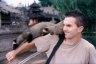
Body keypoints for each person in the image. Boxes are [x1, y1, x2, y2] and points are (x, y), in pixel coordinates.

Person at [6, 10, 96, 64]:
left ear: (80, 29)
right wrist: (15, 52)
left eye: (69, 26)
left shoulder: (89, 49)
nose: (64, 28)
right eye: (64, 25)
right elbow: (32, 43)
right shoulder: (52, 39)